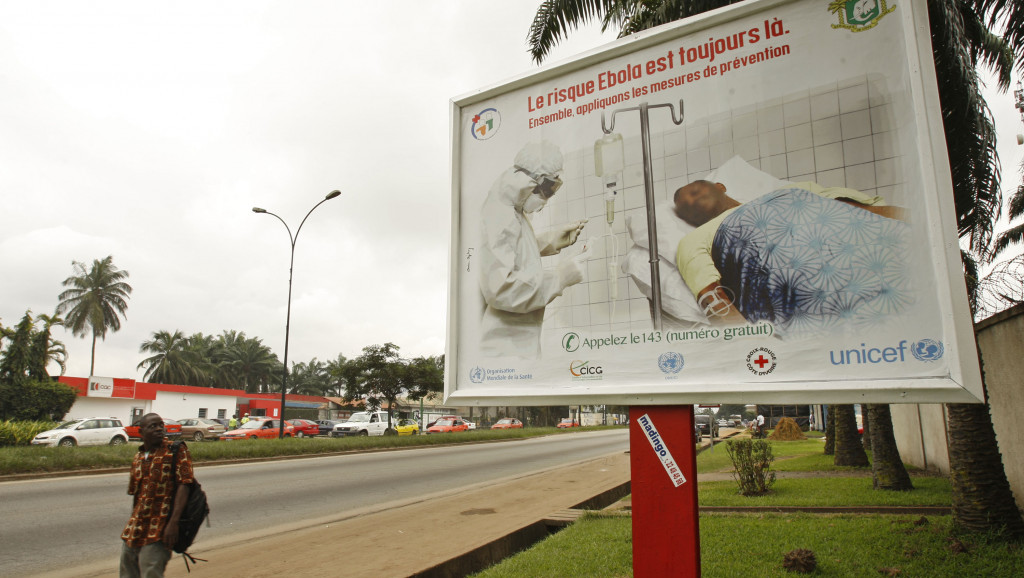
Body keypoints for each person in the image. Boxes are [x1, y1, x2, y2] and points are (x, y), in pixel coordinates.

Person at [673, 179, 910, 337]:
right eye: (686, 207)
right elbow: (715, 301)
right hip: (822, 308)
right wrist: (751, 346)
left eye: (694, 191)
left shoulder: (792, 192)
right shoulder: (693, 241)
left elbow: (861, 213)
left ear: (719, 186)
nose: (692, 201)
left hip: (889, 264)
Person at [478, 140, 588, 358]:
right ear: (530, 181)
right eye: (548, 187)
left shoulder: (509, 206)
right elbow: (501, 289)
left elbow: (505, 251)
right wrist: (559, 277)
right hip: (503, 352)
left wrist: (550, 241)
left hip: (515, 345)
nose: (547, 197)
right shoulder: (500, 213)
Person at [120, 413, 194, 578]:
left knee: (151, 573)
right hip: (135, 528)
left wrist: (173, 524)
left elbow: (185, 484)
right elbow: (136, 495)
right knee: (127, 572)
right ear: (141, 432)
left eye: (161, 425)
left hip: (160, 528)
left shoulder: (175, 450)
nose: (159, 429)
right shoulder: (138, 458)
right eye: (153, 426)